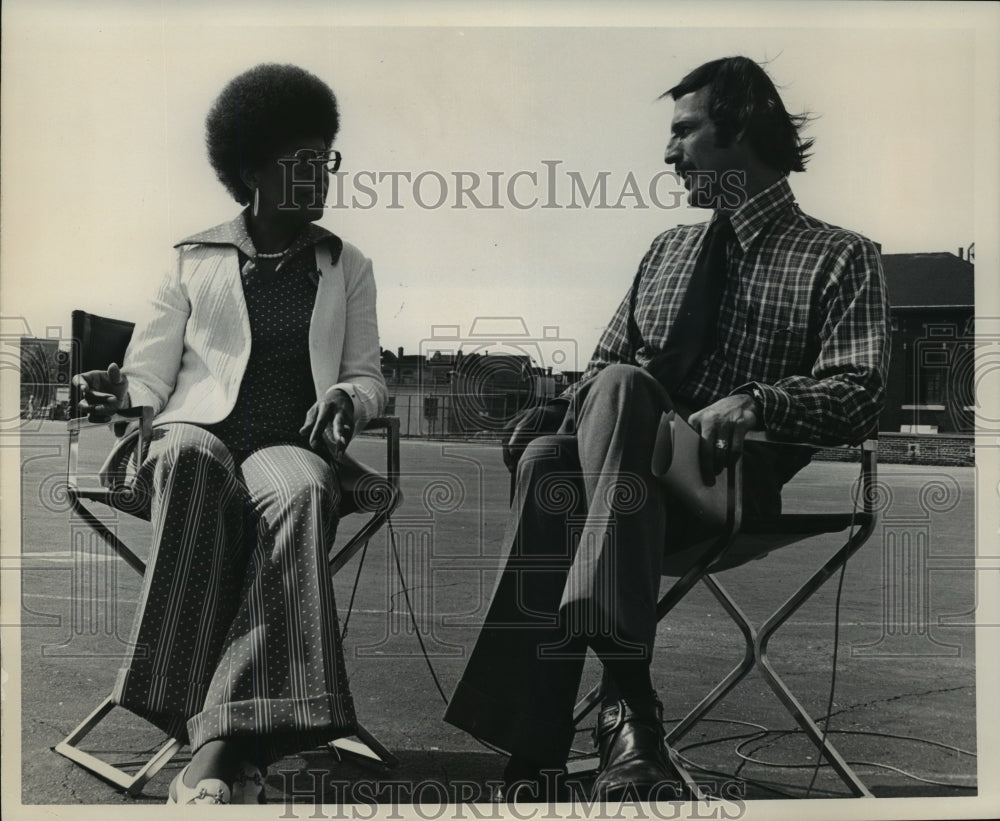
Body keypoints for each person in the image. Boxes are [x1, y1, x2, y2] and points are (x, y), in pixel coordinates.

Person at [444, 56, 889, 801]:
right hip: (621, 486)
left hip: (728, 481)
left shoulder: (841, 256)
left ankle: (574, 726)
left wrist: (757, 403)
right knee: (558, 456)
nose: (667, 152)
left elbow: (859, 395)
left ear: (741, 127)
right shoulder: (667, 250)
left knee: (594, 426)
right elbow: (599, 377)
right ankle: (603, 729)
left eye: (684, 130)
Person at [72, 63, 386, 805]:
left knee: (306, 488)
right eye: (300, 162)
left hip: (286, 443)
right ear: (252, 170)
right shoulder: (192, 258)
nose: (319, 175)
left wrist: (348, 394)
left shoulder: (347, 266)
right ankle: (195, 715)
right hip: (193, 437)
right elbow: (147, 376)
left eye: (326, 160)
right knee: (189, 454)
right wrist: (123, 391)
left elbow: (369, 373)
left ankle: (218, 737)